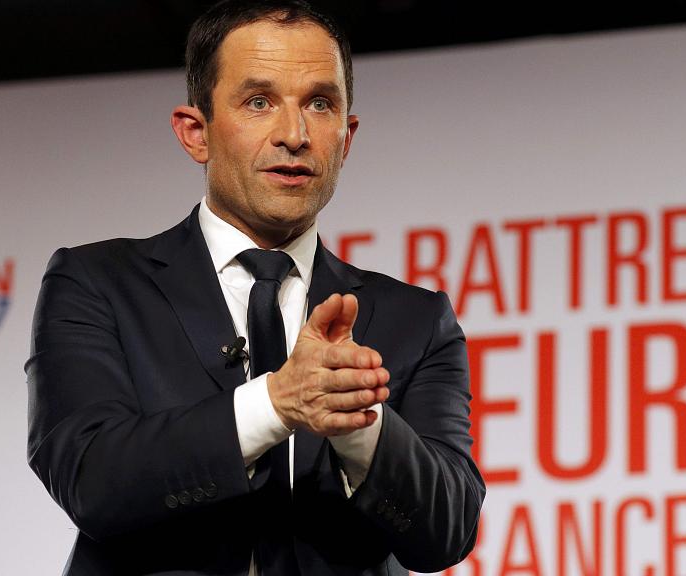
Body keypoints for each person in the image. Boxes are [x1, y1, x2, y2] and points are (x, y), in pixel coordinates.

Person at [25, 1, 485, 574]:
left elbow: (449, 530)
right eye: (259, 101)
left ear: (346, 138)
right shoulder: (97, 285)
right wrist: (275, 403)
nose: (294, 135)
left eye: (320, 104)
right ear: (196, 133)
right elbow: (90, 478)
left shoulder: (416, 320)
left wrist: (358, 422)